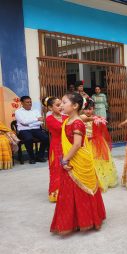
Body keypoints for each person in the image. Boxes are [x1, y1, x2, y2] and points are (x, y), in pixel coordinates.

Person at [50, 92, 106, 235]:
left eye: (64, 102)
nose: (61, 105)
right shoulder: (67, 121)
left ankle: (86, 220)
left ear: (75, 106)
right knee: (69, 191)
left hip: (76, 160)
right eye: (60, 103)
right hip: (70, 158)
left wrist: (64, 160)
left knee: (80, 191)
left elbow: (76, 145)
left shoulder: (76, 123)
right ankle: (73, 221)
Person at [82, 99, 118, 191]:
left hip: (97, 143)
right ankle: (90, 182)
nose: (88, 111)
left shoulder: (97, 118)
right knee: (88, 162)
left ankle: (101, 182)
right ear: (82, 109)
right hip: (85, 143)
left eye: (90, 109)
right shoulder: (80, 118)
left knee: (98, 162)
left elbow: (102, 132)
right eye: (86, 109)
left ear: (93, 109)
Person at [44, 97, 68, 202]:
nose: (61, 107)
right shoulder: (49, 119)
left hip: (67, 145)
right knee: (57, 168)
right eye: (57, 105)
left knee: (68, 167)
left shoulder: (65, 117)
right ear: (50, 107)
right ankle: (56, 193)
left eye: (61, 104)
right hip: (57, 146)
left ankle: (68, 191)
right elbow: (62, 128)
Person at [15, 96, 49, 164]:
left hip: (36, 129)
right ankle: (32, 157)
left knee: (45, 137)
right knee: (28, 139)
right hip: (24, 130)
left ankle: (40, 156)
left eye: (30, 102)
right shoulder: (18, 112)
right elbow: (24, 122)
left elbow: (41, 122)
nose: (30, 103)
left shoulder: (35, 110)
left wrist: (29, 124)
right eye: (27, 102)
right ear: (22, 103)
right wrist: (36, 120)